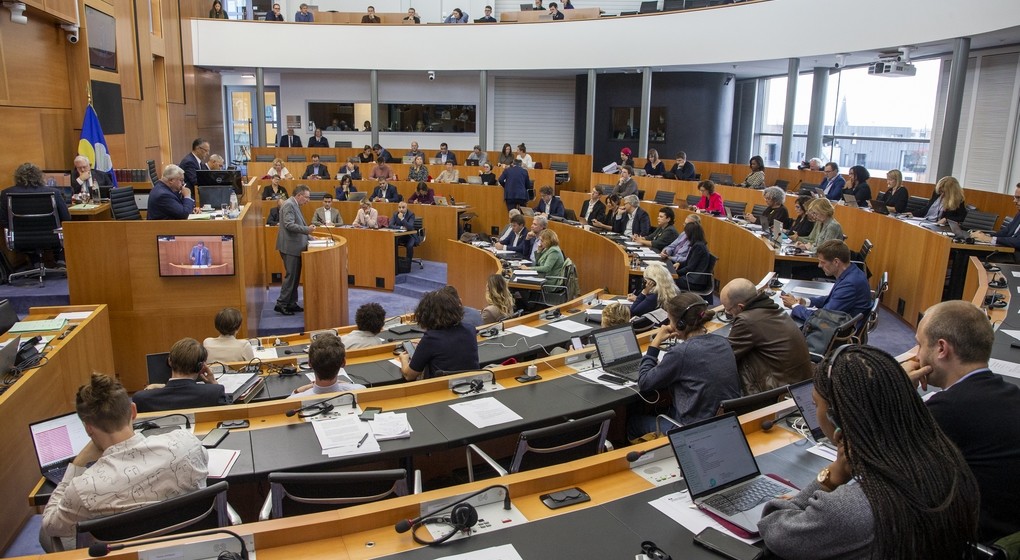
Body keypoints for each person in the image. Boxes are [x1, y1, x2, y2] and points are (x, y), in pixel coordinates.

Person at [759, 345, 980, 560]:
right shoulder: (950, 465)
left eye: (816, 404)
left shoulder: (850, 508)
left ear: (837, 419)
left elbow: (774, 529)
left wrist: (830, 477)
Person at [39, 373, 207, 552]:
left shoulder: (83, 488)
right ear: (133, 411)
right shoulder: (187, 444)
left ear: (88, 428)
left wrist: (78, 463)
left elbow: (50, 525)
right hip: (190, 546)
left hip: (124, 554)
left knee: (45, 533)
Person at [904, 301, 1020, 542]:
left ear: (941, 349)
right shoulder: (1011, 393)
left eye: (920, 344)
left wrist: (897, 389)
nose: (917, 355)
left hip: (967, 543)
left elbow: (880, 459)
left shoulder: (948, 410)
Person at [630, 293, 740, 438]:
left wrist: (655, 344)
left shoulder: (681, 353)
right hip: (725, 422)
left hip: (694, 430)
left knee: (633, 422)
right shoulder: (723, 342)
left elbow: (644, 382)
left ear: (680, 324)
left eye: (670, 320)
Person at [720, 278, 812, 395]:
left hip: (781, 392)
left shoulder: (746, 320)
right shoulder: (775, 309)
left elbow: (726, 356)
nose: (729, 314)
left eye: (728, 310)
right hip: (801, 384)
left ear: (740, 307)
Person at [781, 240, 871, 323]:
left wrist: (794, 306)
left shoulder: (850, 284)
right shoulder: (850, 271)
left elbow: (822, 319)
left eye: (822, 262)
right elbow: (832, 298)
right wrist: (805, 301)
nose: (819, 266)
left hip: (838, 332)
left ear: (836, 262)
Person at [398, 289, 479, 380]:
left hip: (442, 388)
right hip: (472, 383)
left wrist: (403, 359)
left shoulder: (431, 339)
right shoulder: (470, 329)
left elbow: (409, 375)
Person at [133, 338, 228, 411]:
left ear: (169, 361)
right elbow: (229, 413)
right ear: (201, 367)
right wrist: (213, 384)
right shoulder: (215, 392)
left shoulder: (141, 398)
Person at [275, 185, 315, 315]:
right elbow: (289, 224)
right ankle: (281, 303)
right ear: (299, 195)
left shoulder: (294, 204)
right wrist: (307, 230)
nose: (308, 200)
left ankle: (291, 303)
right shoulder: (289, 205)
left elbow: (298, 224)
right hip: (290, 247)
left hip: (295, 246)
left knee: (295, 277)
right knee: (291, 277)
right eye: (307, 197)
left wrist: (309, 236)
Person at [291, 334, 365, 397]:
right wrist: (346, 383)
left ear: (310, 363)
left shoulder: (294, 400)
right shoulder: (361, 391)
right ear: (343, 363)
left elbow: (293, 397)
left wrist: (299, 390)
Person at [974, 183, 1020, 250]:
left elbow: (1018, 242)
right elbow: (1006, 231)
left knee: (970, 254)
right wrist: (985, 236)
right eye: (1015, 197)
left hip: (1015, 255)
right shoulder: (1019, 214)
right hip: (1007, 251)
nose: (1014, 201)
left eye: (1018, 198)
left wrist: (990, 239)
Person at [673, 221, 713, 292]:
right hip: (692, 278)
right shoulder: (698, 244)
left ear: (691, 234)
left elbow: (690, 268)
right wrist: (679, 264)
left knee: (666, 280)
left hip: (694, 281)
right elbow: (689, 262)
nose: (685, 235)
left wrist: (675, 273)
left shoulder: (698, 247)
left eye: (686, 233)